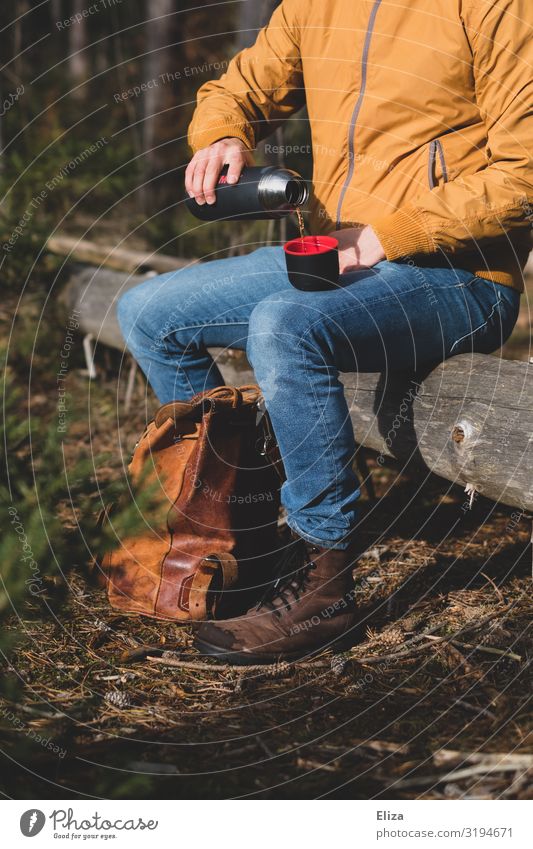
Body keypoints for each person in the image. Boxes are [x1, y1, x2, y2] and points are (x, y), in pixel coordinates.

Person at [117, 0, 531, 663]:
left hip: (460, 277)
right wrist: (224, 133)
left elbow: (523, 173)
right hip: (336, 258)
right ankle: (243, 540)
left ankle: (322, 577)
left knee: (283, 324)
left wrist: (384, 235)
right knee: (148, 312)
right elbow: (244, 85)